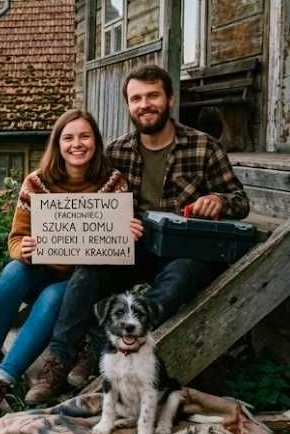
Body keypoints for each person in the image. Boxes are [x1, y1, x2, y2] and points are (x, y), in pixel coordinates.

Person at [25, 64, 250, 405]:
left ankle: (123, 350)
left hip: (181, 248)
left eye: (152, 96)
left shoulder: (205, 147)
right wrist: (54, 227)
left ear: (170, 99)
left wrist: (217, 199)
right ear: (128, 105)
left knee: (184, 274)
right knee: (88, 271)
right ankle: (59, 361)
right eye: (136, 99)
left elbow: (240, 201)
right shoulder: (115, 151)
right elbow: (81, 195)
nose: (144, 105)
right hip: (133, 245)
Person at [0, 108, 140, 417]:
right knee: (12, 271)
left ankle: (2, 379)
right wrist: (24, 248)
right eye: (68, 138)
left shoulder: (114, 184)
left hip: (76, 283)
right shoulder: (36, 183)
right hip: (39, 269)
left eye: (84, 136)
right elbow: (16, 238)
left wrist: (128, 232)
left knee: (53, 296)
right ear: (57, 144)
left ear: (96, 143)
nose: (77, 144)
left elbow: (117, 247)